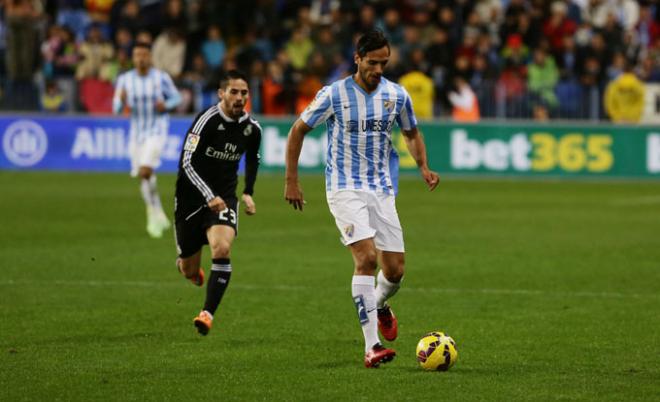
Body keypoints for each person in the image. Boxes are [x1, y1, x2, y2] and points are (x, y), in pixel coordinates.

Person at [284, 30, 439, 368]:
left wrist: (423, 165)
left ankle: (380, 304)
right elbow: (298, 130)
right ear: (357, 58)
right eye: (372, 62)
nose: (378, 69)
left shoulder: (397, 95)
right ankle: (372, 347)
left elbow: (411, 133)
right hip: (343, 188)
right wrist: (292, 180)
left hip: (382, 189)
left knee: (395, 271)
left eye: (384, 63)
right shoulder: (334, 94)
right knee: (366, 259)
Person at [174, 70, 261, 336]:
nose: (239, 97)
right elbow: (186, 162)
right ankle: (189, 269)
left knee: (221, 248)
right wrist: (206, 194)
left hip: (224, 198)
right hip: (191, 199)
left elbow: (253, 159)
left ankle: (207, 313)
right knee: (189, 268)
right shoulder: (206, 121)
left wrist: (247, 191)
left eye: (244, 92)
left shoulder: (251, 128)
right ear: (221, 94)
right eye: (233, 92)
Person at [113, 42, 182, 238]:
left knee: (145, 171)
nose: (141, 58)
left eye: (144, 54)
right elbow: (116, 108)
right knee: (144, 175)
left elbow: (177, 98)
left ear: (150, 57)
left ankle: (153, 214)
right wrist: (122, 101)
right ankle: (156, 211)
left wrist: (166, 104)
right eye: (137, 55)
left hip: (157, 130)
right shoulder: (125, 80)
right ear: (133, 58)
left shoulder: (161, 78)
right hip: (136, 134)